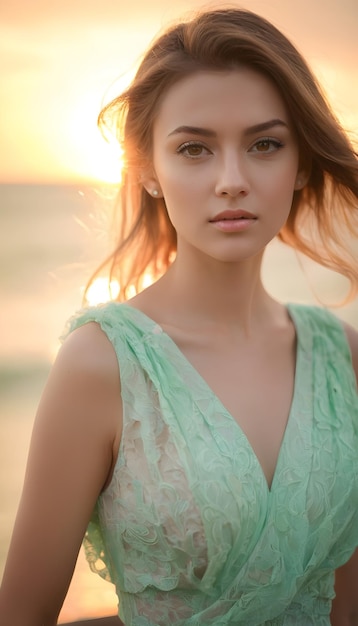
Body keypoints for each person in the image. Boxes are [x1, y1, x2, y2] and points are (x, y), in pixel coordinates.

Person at [0, 6, 357, 626]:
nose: (231, 180)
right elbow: (22, 612)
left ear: (300, 163)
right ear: (147, 172)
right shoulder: (102, 363)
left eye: (264, 144)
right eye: (194, 149)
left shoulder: (342, 355)